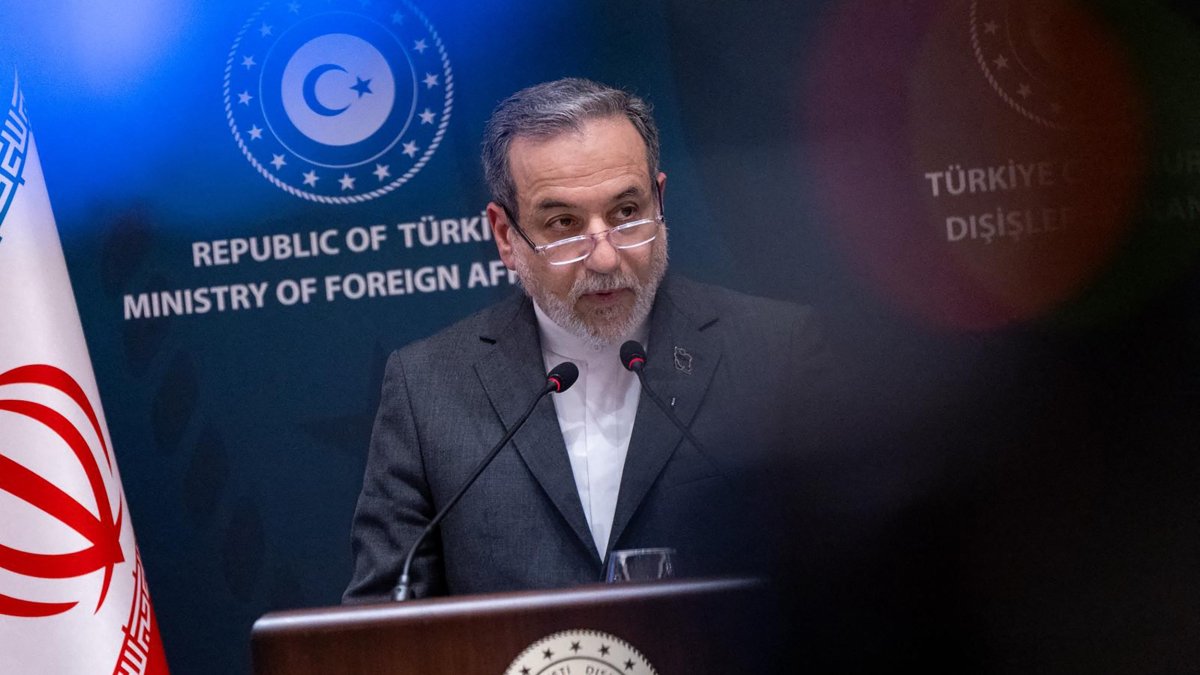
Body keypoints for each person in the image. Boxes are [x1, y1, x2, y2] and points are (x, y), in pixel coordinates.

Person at [344, 78, 833, 601]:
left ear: (660, 201)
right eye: (564, 223)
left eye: (626, 214)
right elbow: (382, 621)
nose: (604, 258)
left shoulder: (774, 354)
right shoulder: (428, 390)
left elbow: (846, 583)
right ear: (506, 238)